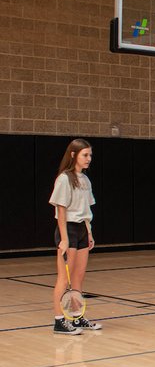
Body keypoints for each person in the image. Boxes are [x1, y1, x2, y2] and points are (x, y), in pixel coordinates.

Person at [49, 139, 102, 334]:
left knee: (78, 278)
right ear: (73, 155)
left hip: (81, 230)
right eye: (85, 155)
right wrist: (64, 239)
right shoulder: (64, 178)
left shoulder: (85, 180)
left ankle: (77, 317)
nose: (89, 159)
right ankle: (59, 320)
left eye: (90, 155)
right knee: (64, 279)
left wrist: (89, 233)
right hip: (68, 231)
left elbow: (86, 209)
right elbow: (61, 211)